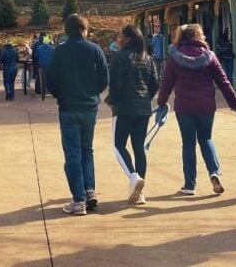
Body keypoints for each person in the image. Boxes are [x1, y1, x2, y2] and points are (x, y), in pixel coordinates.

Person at [156, 23, 236, 196]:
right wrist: (234, 103)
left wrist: (161, 103)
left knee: (188, 144)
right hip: (206, 106)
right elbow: (223, 81)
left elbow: (166, 84)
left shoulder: (174, 58)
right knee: (206, 139)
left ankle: (189, 185)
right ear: (199, 36)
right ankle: (214, 172)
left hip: (184, 107)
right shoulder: (209, 57)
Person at [47, 14, 109, 216]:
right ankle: (89, 190)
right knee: (87, 149)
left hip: (68, 106)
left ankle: (78, 199)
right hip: (89, 106)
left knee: (72, 152)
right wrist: (93, 93)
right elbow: (104, 78)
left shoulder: (60, 51)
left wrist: (62, 95)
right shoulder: (95, 50)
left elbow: (51, 79)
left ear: (67, 30)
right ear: (85, 29)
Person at [106, 24, 158, 205]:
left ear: (127, 38)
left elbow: (115, 84)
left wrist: (112, 101)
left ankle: (133, 177)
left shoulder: (119, 57)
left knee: (118, 145)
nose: (118, 38)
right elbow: (154, 84)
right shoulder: (147, 58)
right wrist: (145, 99)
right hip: (143, 110)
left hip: (124, 108)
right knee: (138, 148)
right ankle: (140, 192)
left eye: (120, 35)